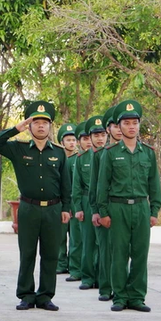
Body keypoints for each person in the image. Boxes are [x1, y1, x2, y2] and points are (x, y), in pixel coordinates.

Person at [0, 101, 71, 311]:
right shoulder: (19, 148)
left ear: (50, 126)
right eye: (36, 122)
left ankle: (45, 296)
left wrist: (66, 209)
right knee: (27, 253)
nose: (41, 126)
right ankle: (26, 294)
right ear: (30, 125)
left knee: (50, 254)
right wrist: (16, 128)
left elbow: (66, 183)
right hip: (28, 208)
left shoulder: (60, 153)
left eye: (45, 122)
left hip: (53, 209)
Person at [97, 100, 161, 312]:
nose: (131, 126)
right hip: (118, 208)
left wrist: (154, 211)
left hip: (142, 208)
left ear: (139, 125)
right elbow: (102, 185)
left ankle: (136, 297)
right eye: (126, 123)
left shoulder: (148, 152)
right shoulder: (111, 152)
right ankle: (120, 297)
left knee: (141, 254)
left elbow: (154, 184)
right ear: (119, 127)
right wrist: (103, 212)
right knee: (119, 254)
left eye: (135, 122)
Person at [89, 105, 122, 301]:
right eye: (114, 126)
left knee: (122, 249)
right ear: (109, 129)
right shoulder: (100, 154)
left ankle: (121, 288)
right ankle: (105, 288)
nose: (118, 129)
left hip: (124, 208)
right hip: (104, 207)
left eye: (121, 125)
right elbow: (94, 185)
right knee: (105, 249)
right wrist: (95, 210)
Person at [73, 115, 106, 291]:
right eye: (95, 135)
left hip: (106, 204)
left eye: (102, 135)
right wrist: (78, 208)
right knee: (88, 241)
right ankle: (87, 277)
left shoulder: (110, 154)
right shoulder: (82, 158)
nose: (99, 139)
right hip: (86, 202)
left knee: (104, 244)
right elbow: (76, 185)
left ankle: (102, 278)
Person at [65, 121, 91, 282]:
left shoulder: (104, 155)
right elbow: (68, 185)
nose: (88, 141)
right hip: (77, 201)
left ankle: (93, 270)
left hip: (94, 201)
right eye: (84, 138)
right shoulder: (73, 160)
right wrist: (69, 206)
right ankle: (75, 269)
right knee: (76, 238)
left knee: (93, 241)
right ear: (79, 141)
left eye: (90, 138)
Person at [56, 123, 80, 277]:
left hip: (75, 200)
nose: (72, 142)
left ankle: (74, 265)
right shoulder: (58, 158)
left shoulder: (79, 158)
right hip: (60, 201)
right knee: (59, 236)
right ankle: (60, 264)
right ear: (62, 142)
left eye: (74, 140)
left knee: (75, 237)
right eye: (68, 140)